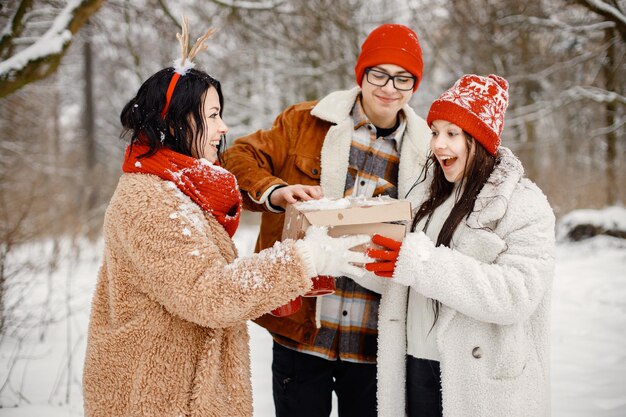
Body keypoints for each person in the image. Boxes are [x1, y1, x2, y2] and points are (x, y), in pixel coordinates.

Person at [81, 20, 370, 417]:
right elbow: (209, 294)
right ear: (178, 121)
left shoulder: (181, 189)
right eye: (213, 115)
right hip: (158, 396)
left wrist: (286, 276)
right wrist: (305, 258)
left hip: (183, 387)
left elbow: (207, 281)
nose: (224, 127)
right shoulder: (151, 200)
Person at [223, 24, 431, 417]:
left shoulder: (425, 150)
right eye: (379, 74)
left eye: (403, 77)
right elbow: (238, 158)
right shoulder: (306, 121)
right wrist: (276, 190)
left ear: (414, 84)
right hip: (303, 329)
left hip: (374, 339)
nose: (390, 87)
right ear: (362, 74)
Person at [363, 74, 556, 417]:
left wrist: (420, 263)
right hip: (415, 367)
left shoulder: (524, 204)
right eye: (435, 131)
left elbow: (518, 294)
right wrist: (345, 253)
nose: (438, 144)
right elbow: (403, 276)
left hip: (477, 379)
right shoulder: (424, 196)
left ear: (480, 140)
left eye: (452, 134)